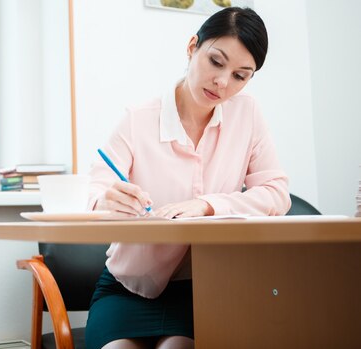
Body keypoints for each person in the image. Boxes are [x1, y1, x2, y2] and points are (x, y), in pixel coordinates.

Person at [85, 7, 291, 349]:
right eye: (216, 61)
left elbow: (275, 193)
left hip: (203, 290)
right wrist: (107, 198)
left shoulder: (248, 114)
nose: (223, 82)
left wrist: (207, 205)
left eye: (240, 75)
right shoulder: (138, 119)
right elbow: (97, 191)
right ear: (192, 46)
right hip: (127, 288)